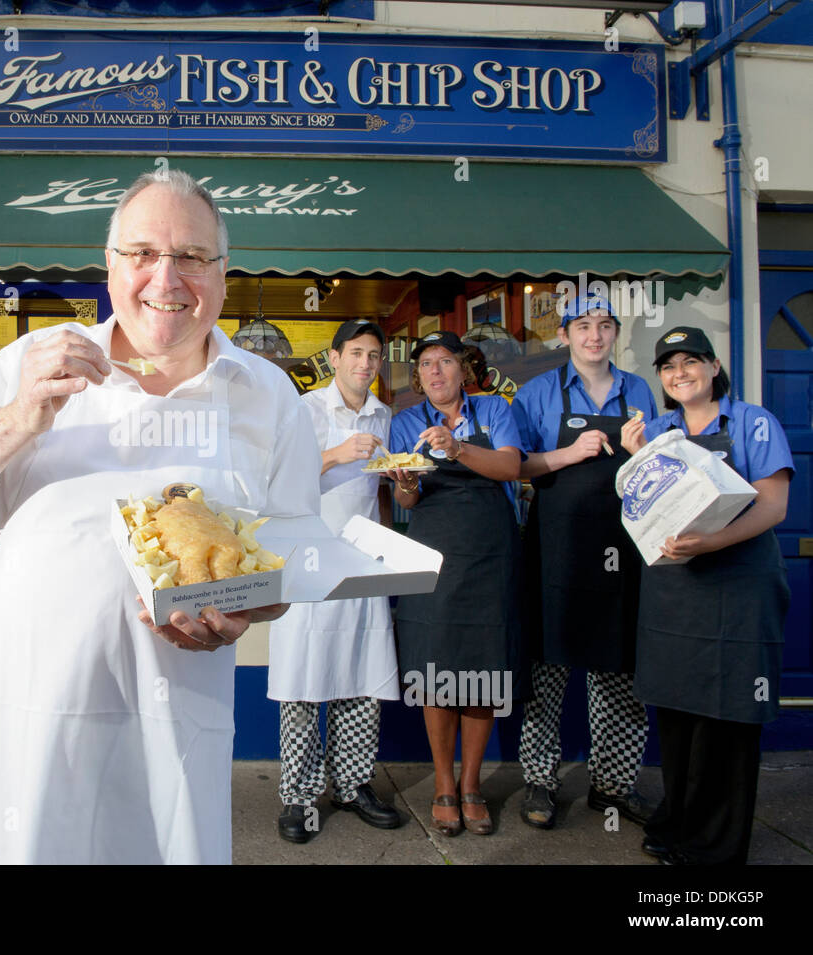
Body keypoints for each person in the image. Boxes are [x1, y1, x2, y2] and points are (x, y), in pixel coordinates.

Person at [0, 168, 320, 864]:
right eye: (143, 254)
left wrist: (243, 610)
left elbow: (293, 565)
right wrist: (22, 415)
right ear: (110, 266)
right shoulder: (37, 360)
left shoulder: (267, 395)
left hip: (172, 742)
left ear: (223, 272)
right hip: (25, 733)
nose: (166, 278)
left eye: (191, 257)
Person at [621, 325, 792, 865]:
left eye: (690, 362)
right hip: (675, 593)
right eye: (668, 367)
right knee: (677, 710)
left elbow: (773, 507)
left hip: (738, 590)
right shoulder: (659, 429)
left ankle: (715, 847)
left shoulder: (752, 422)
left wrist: (712, 541)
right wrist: (635, 463)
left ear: (714, 367)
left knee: (727, 716)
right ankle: (679, 822)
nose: (679, 374)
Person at [511, 294, 658, 829]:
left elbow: (657, 467)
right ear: (565, 335)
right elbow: (517, 465)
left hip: (622, 547)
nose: (593, 335)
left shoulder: (639, 390)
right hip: (557, 546)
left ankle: (614, 785)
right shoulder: (537, 393)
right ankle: (540, 782)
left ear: (615, 333)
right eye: (582, 326)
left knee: (618, 669)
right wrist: (571, 453)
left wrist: (640, 450)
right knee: (547, 670)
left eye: (603, 325)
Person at [268, 319, 402, 843]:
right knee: (303, 680)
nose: (365, 364)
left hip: (363, 559)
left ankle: (352, 783)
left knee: (361, 676)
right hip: (309, 561)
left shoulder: (383, 413)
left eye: (374, 355)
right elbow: (275, 480)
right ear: (334, 357)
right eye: (356, 353)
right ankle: (298, 796)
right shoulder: (306, 410)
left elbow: (379, 493)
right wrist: (334, 455)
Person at [386, 330, 525, 837]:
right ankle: (444, 784)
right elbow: (408, 501)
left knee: (483, 671)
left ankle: (472, 785)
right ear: (418, 376)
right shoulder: (406, 422)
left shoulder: (494, 411)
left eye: (444, 362)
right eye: (425, 365)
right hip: (434, 557)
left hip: (490, 558)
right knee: (436, 670)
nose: (435, 372)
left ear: (463, 370)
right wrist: (404, 483)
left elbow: (510, 466)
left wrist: (458, 446)